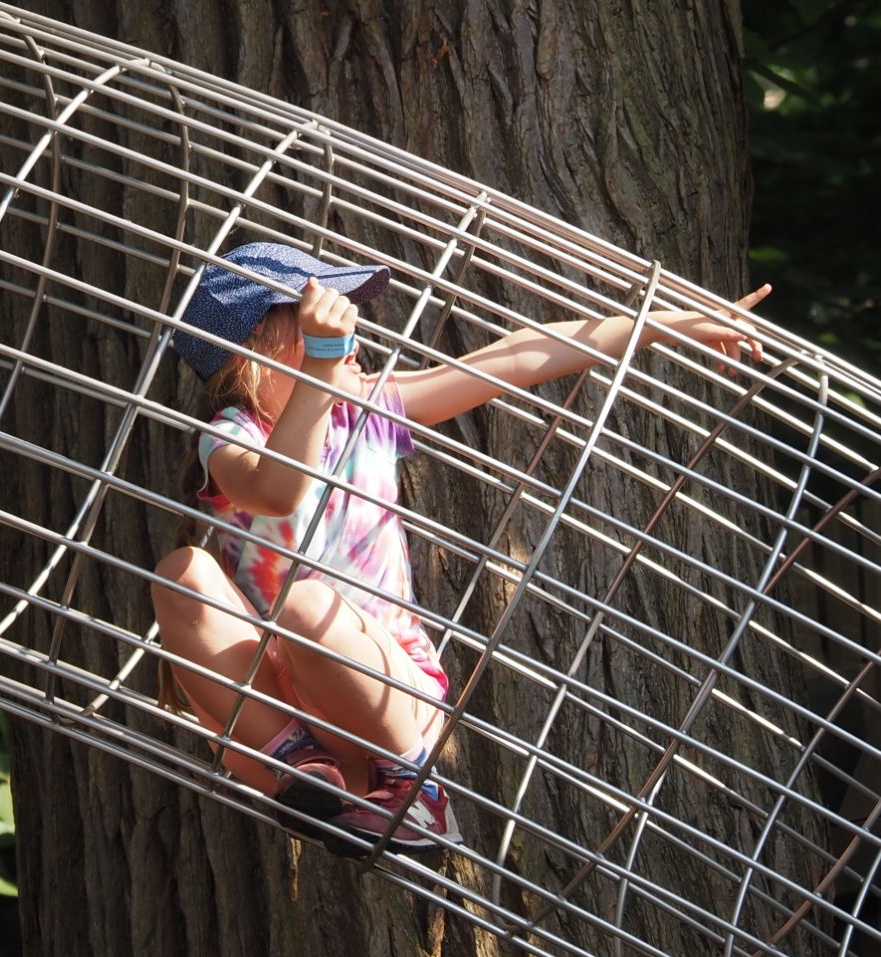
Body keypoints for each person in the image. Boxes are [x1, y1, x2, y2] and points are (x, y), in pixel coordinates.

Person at [152, 241, 766, 855]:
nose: (352, 341)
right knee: (182, 574)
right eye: (324, 325)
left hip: (386, 703)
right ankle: (307, 773)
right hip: (278, 721)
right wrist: (322, 366)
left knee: (306, 608)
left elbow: (516, 359)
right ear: (265, 344)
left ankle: (415, 793)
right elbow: (278, 490)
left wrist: (665, 324)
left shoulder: (368, 407)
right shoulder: (230, 437)